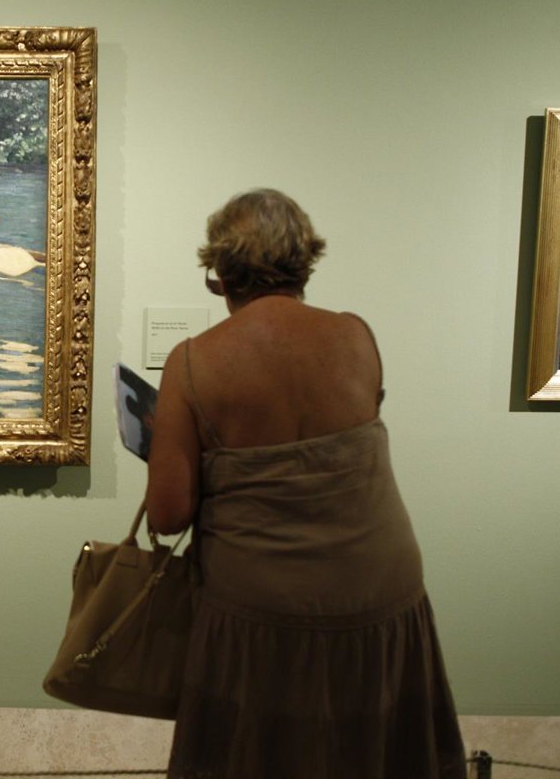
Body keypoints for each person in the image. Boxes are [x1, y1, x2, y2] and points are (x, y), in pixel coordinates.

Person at [144, 189, 466, 778]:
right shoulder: (356, 336)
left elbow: (168, 516)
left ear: (221, 272)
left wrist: (162, 443)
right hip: (379, 594)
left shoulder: (191, 362)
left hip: (259, 612)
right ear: (305, 261)